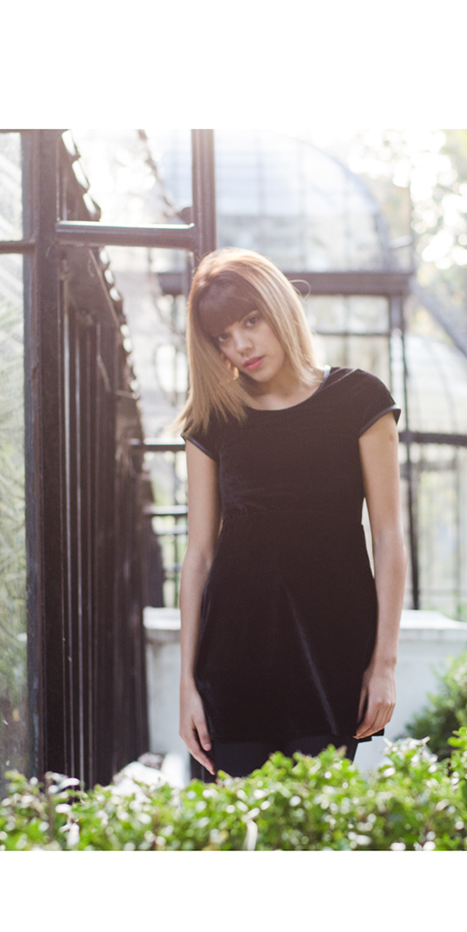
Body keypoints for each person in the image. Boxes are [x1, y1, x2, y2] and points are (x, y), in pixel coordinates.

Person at [174, 247, 407, 780]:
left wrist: (384, 663)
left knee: (316, 819)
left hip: (331, 656)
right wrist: (187, 684)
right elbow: (200, 555)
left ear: (279, 307)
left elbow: (389, 537)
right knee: (239, 823)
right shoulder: (213, 419)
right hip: (233, 660)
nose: (241, 345)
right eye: (223, 336)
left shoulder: (360, 399)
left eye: (250, 321)